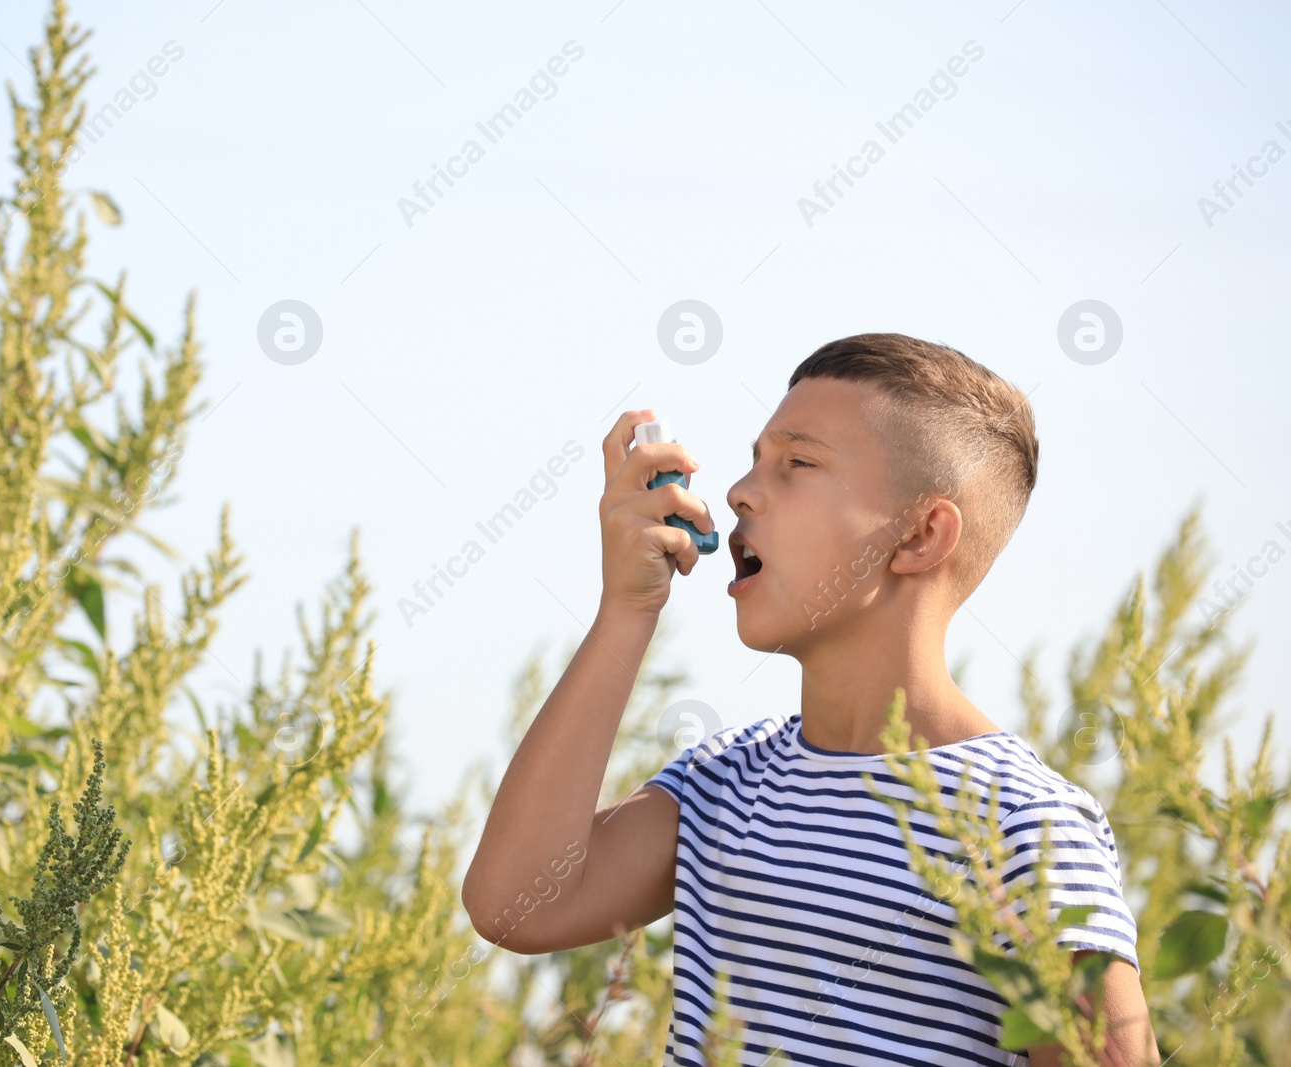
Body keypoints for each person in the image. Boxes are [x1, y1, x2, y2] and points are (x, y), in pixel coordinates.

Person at [460, 333, 1158, 1066]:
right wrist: (626, 611)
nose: (739, 490)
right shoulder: (723, 783)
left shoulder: (1025, 825)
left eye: (797, 462)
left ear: (920, 534)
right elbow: (513, 902)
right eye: (756, 458)